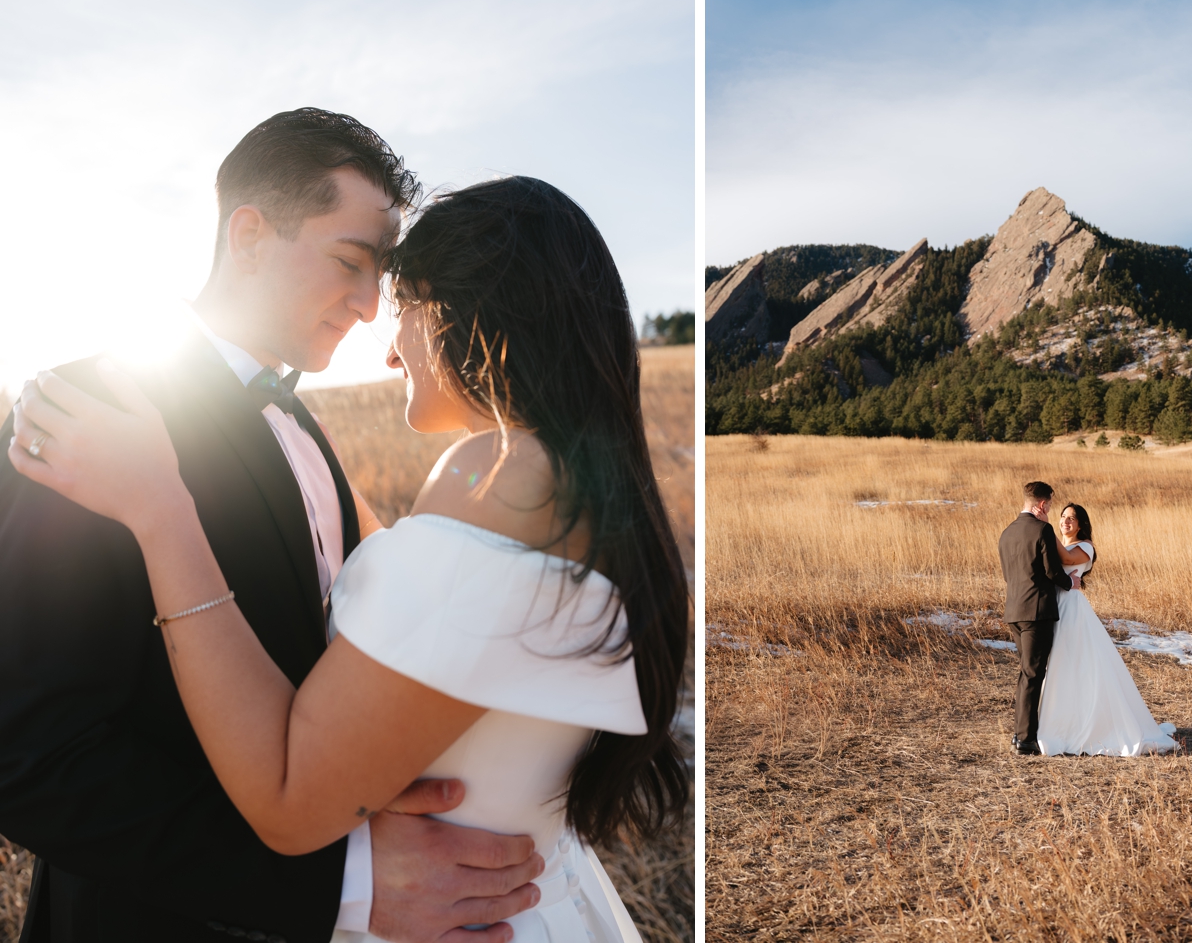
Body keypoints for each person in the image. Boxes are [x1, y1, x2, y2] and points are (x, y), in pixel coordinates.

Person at [9, 175, 690, 943]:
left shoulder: (504, 479)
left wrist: (161, 509)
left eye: (405, 304)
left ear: (472, 313)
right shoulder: (575, 487)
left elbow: (290, 792)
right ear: (249, 236)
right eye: (349, 262)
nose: (385, 340)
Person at [1035, 503, 1177, 757]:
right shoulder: (1059, 544)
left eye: (1072, 518)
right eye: (1063, 516)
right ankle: (1059, 717)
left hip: (1072, 609)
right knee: (1058, 662)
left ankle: (1088, 724)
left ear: (1081, 524)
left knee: (1077, 660)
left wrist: (1045, 528)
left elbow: (1067, 560)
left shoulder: (1085, 547)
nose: (1065, 521)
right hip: (1054, 606)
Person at [997, 481, 1074, 756]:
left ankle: (1020, 735)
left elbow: (1008, 575)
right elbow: (1052, 571)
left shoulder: (1007, 532)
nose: (1050, 510)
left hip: (1014, 611)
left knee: (1026, 672)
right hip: (1036, 612)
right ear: (1042, 504)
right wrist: (1071, 582)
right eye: (1050, 506)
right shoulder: (1042, 530)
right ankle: (1026, 739)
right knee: (1032, 674)